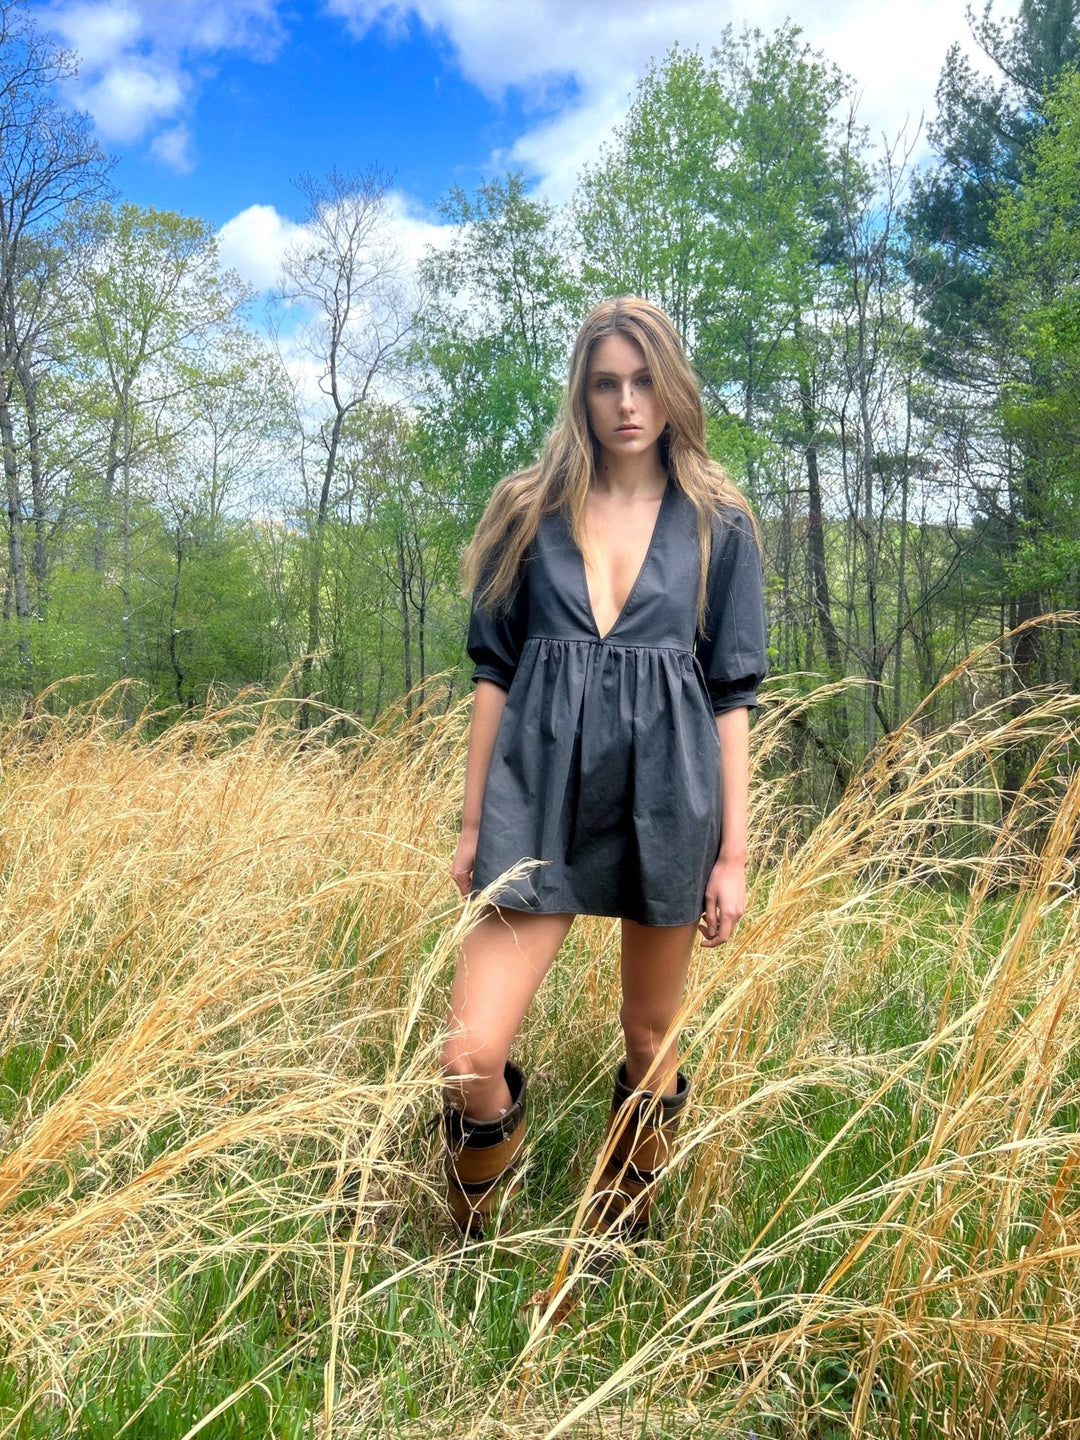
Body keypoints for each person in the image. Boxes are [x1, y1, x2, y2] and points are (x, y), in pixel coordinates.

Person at [442, 296, 768, 1241]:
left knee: (646, 1036)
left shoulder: (720, 523)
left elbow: (730, 695)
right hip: (535, 796)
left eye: (644, 381)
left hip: (670, 799)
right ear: (580, 396)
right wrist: (473, 827)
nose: (627, 403)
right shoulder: (526, 510)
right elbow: (494, 675)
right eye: (605, 384)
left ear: (672, 389)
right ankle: (472, 1235)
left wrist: (733, 856)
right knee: (469, 1051)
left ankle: (617, 1233)